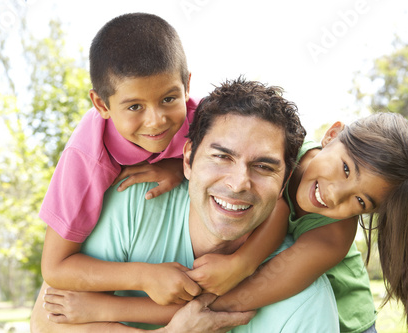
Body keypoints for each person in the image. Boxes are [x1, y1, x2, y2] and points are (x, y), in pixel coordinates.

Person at [30, 78, 340, 332]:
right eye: (221, 157)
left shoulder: (304, 302)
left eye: (263, 167)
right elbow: (45, 324)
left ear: (285, 181)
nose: (238, 183)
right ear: (187, 159)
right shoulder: (131, 204)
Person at [40, 12, 286, 304]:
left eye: (169, 99)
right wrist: (144, 276)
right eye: (134, 107)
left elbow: (277, 202)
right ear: (101, 104)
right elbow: (55, 268)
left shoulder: (208, 123)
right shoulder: (85, 160)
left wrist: (243, 263)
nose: (156, 121)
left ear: (187, 86)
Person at [210, 112, 408, 333]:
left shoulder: (334, 235)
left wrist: (180, 313)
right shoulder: (281, 148)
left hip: (343, 324)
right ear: (332, 135)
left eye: (360, 200)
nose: (335, 195)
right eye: (346, 169)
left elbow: (243, 298)